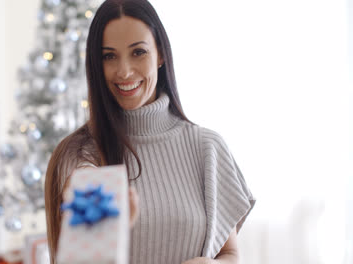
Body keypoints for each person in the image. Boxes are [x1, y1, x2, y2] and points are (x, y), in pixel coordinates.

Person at [44, 0, 256, 263]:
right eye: (109, 56)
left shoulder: (207, 147)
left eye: (138, 52)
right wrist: (111, 224)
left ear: (161, 54)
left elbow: (230, 254)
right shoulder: (80, 155)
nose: (124, 71)